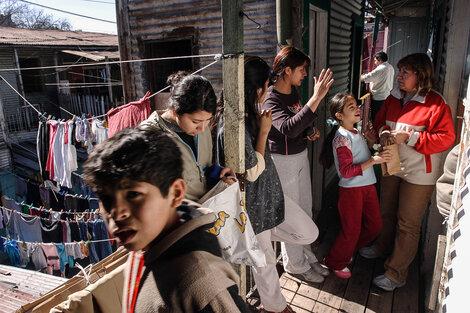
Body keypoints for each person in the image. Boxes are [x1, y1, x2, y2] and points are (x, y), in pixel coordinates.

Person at [83, 128, 250, 313]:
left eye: (133, 194)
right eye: (106, 199)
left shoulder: (200, 280)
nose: (116, 212)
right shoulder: (144, 247)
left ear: (176, 193)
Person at [216, 56, 320, 313]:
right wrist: (264, 131)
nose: (268, 90)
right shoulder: (234, 124)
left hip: (270, 197)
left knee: (308, 231)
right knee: (265, 260)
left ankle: (256, 241)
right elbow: (251, 172)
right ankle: (276, 307)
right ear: (257, 88)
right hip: (252, 203)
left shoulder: (249, 112)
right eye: (265, 85)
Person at [360, 53, 456, 291]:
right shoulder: (394, 97)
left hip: (419, 174)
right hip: (392, 164)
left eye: (405, 73)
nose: (399, 76)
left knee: (408, 223)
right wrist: (382, 131)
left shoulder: (435, 103)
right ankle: (382, 247)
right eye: (400, 71)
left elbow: (446, 139)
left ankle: (396, 273)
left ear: (421, 76)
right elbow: (381, 121)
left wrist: (410, 137)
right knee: (386, 210)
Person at [262, 46, 333, 283]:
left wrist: (308, 132)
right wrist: (316, 97)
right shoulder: (269, 98)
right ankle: (295, 265)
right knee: (292, 215)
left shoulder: (292, 92)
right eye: (302, 69)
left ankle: (306, 256)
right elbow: (288, 128)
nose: (304, 74)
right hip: (282, 163)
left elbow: (298, 125)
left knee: (305, 208)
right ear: (287, 70)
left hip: (299, 156)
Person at [319, 93, 391, 278]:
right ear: (339, 116)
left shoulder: (355, 132)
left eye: (356, 106)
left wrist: (370, 142)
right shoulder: (341, 138)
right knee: (351, 230)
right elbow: (346, 171)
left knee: (375, 225)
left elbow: (361, 156)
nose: (357, 109)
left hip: (367, 186)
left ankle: (346, 251)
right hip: (351, 190)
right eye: (351, 107)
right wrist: (374, 161)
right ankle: (334, 261)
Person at [139, 72, 234, 202]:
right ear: (175, 111)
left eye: (207, 121)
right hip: (177, 217)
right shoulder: (149, 135)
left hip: (206, 210)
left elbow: (202, 169)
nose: (202, 129)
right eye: (195, 122)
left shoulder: (202, 129)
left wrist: (219, 174)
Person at [361, 51, 395, 122]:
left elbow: (367, 78)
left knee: (376, 119)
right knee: (383, 117)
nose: (375, 63)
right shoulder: (390, 67)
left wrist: (360, 77)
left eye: (375, 60)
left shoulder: (380, 69)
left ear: (380, 60)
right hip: (386, 96)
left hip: (378, 98)